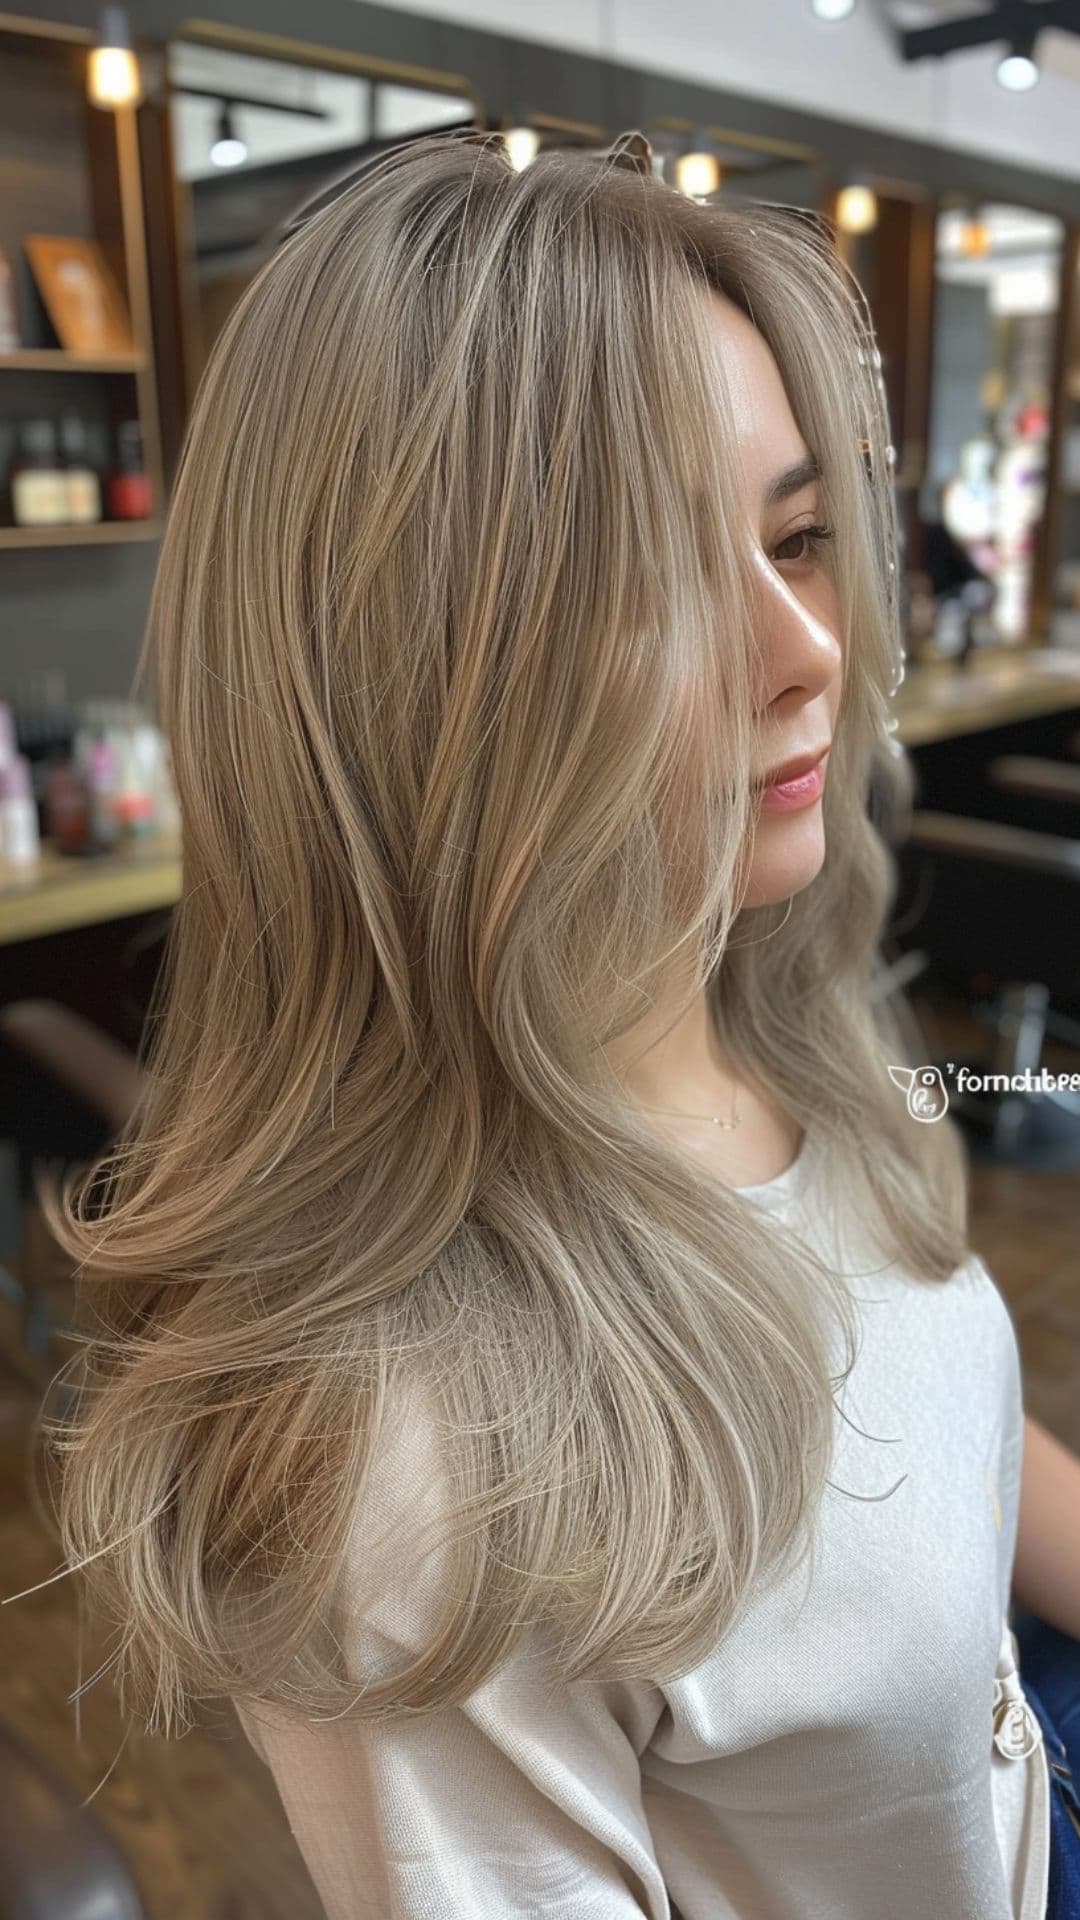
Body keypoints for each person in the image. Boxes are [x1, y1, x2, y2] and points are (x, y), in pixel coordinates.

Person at [19, 128, 1080, 1919]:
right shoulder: (408, 1482)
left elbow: (939, 1412)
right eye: (656, 581)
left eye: (801, 533)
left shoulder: (792, 1042)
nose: (809, 645)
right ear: (414, 679)